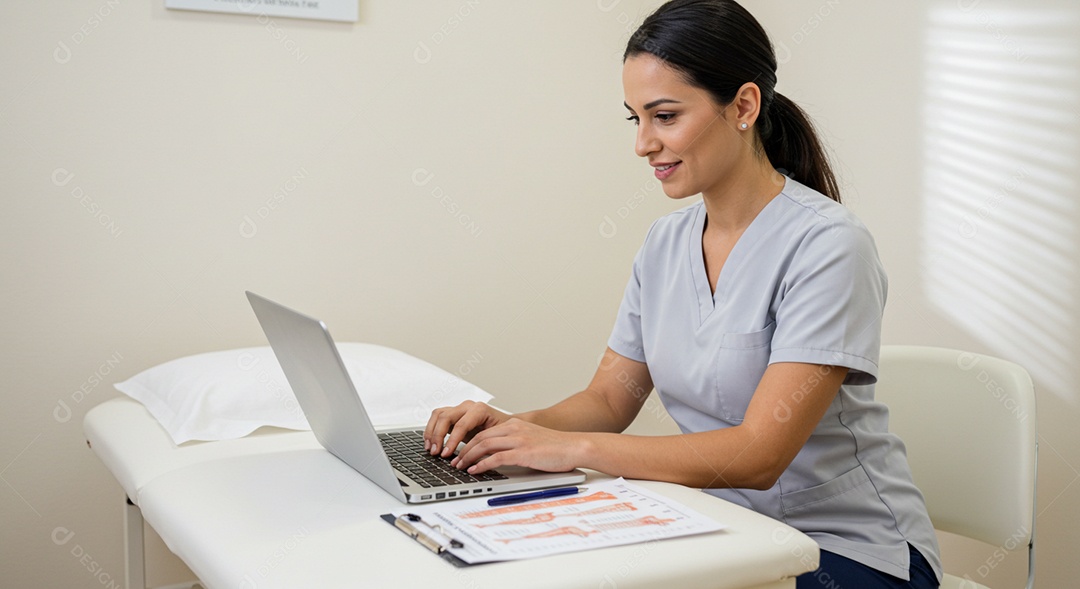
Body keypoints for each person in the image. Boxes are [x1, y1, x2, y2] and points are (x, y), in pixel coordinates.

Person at [423, 1, 942, 586]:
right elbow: (609, 402)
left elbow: (759, 455)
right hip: (717, 527)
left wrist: (572, 450)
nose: (643, 144)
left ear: (743, 106)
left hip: (842, 552)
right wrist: (509, 431)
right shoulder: (665, 243)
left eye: (665, 116)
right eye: (634, 119)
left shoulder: (829, 246)